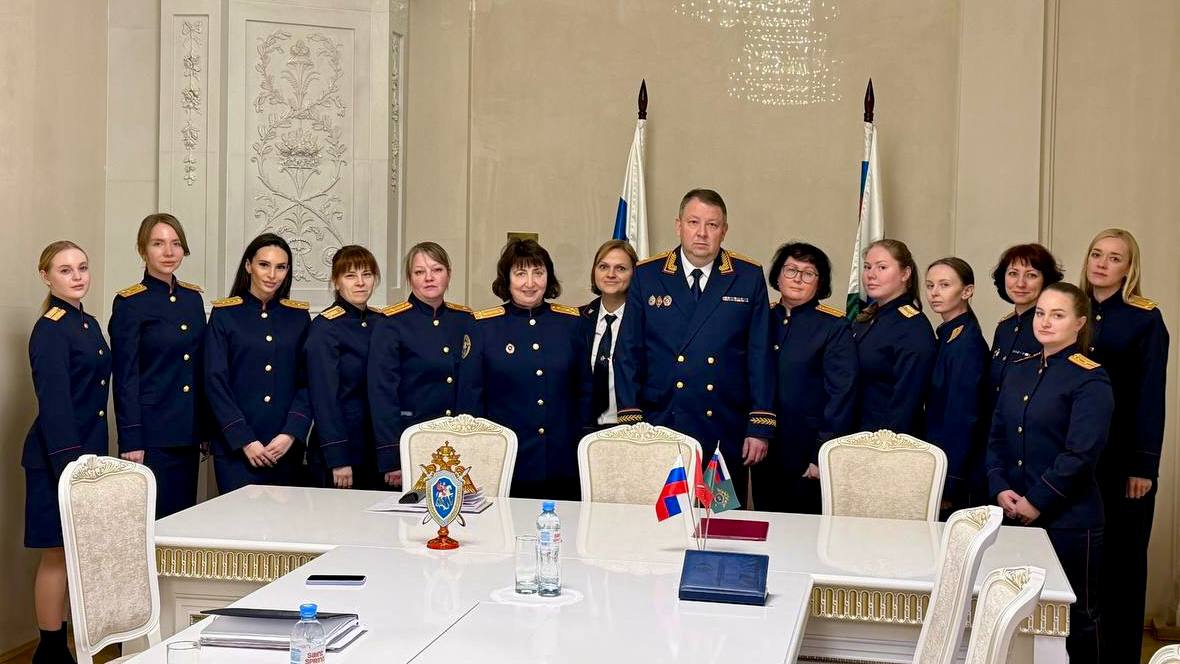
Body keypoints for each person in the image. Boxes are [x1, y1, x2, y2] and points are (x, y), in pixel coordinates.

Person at [615, 188, 775, 506]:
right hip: (661, 422)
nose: (702, 233)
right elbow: (628, 352)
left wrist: (759, 425)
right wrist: (632, 422)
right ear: (679, 226)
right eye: (693, 222)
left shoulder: (746, 276)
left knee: (719, 517)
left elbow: (760, 354)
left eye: (712, 225)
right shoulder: (648, 274)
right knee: (664, 516)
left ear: (724, 230)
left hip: (723, 427)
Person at [986, 282, 1112, 664]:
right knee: (1016, 615)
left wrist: (1037, 501)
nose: (1044, 321)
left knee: (1076, 618)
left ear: (1079, 323)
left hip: (1069, 520)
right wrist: (999, 486)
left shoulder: (1090, 378)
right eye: (1041, 313)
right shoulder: (1019, 370)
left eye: (1057, 315)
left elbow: (1081, 454)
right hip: (1013, 513)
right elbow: (996, 437)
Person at [1079, 229, 1169, 663]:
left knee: (1123, 566)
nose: (1102, 263)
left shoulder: (1144, 318)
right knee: (1082, 564)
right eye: (1096, 254)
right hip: (1076, 455)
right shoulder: (1070, 308)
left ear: (1129, 268)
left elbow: (1150, 396)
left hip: (1120, 459)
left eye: (1115, 258)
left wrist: (1143, 466)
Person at [23, 241, 108, 664]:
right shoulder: (51, 328)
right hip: (58, 459)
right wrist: (71, 468)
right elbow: (55, 405)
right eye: (65, 270)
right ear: (46, 276)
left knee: (77, 553)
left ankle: (70, 645)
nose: (77, 276)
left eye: (82, 267)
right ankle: (51, 650)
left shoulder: (87, 323)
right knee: (57, 553)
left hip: (88, 456)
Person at [458, 239, 591, 500]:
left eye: (538, 273)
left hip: (563, 461)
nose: (530, 283)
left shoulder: (571, 323)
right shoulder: (483, 327)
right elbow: (470, 398)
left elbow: (584, 391)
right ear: (506, 279)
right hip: (506, 462)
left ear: (548, 277)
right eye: (520, 273)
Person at [109, 213, 207, 518]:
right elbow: (126, 376)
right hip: (152, 435)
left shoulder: (192, 299)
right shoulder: (130, 303)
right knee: (153, 522)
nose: (168, 252)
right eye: (158, 244)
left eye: (176, 244)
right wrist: (131, 438)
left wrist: (205, 427)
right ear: (143, 250)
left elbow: (200, 368)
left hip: (188, 432)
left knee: (184, 521)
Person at [754, 242, 856, 514]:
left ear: (819, 283)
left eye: (808, 273)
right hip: (762, 446)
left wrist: (821, 453)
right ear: (778, 276)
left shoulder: (833, 326)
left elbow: (841, 395)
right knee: (765, 524)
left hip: (806, 451)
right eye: (791, 270)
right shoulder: (761, 318)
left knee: (805, 531)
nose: (798, 278)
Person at [204, 233, 311, 492]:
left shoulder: (298, 317)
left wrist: (290, 434)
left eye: (280, 267)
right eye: (264, 265)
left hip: (285, 447)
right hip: (236, 449)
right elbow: (215, 382)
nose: (272, 275)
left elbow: (308, 382)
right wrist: (244, 440)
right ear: (248, 265)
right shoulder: (224, 315)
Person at [368, 242, 473, 489]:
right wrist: (392, 456)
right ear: (409, 278)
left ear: (448, 274)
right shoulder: (391, 322)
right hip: (412, 440)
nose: (429, 278)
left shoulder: (465, 320)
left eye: (436, 270)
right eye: (419, 272)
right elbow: (382, 394)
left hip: (458, 441)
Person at [305, 246, 382, 490]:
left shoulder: (381, 322)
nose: (360, 282)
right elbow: (324, 398)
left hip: (376, 449)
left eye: (367, 274)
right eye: (350, 276)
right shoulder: (325, 328)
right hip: (342, 450)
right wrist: (338, 457)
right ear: (336, 282)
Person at [923, 257, 989, 515]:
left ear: (967, 291)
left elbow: (962, 417)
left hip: (957, 472)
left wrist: (949, 482)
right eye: (930, 285)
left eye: (944, 285)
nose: (934, 292)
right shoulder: (949, 334)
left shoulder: (966, 343)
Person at [851, 239, 936, 435]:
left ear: (905, 274)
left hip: (885, 439)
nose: (871, 274)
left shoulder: (912, 327)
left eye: (882, 267)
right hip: (856, 433)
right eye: (867, 267)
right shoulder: (867, 318)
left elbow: (907, 401)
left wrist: (885, 445)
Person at [988, 243, 1064, 397]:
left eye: (1031, 275)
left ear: (1046, 280)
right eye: (1013, 273)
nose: (1020, 283)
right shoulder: (1004, 327)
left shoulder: (1049, 328)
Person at [579, 239, 637, 430]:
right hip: (583, 428)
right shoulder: (576, 319)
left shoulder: (645, 321)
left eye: (621, 268)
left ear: (634, 273)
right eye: (603, 267)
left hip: (631, 427)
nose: (610, 274)